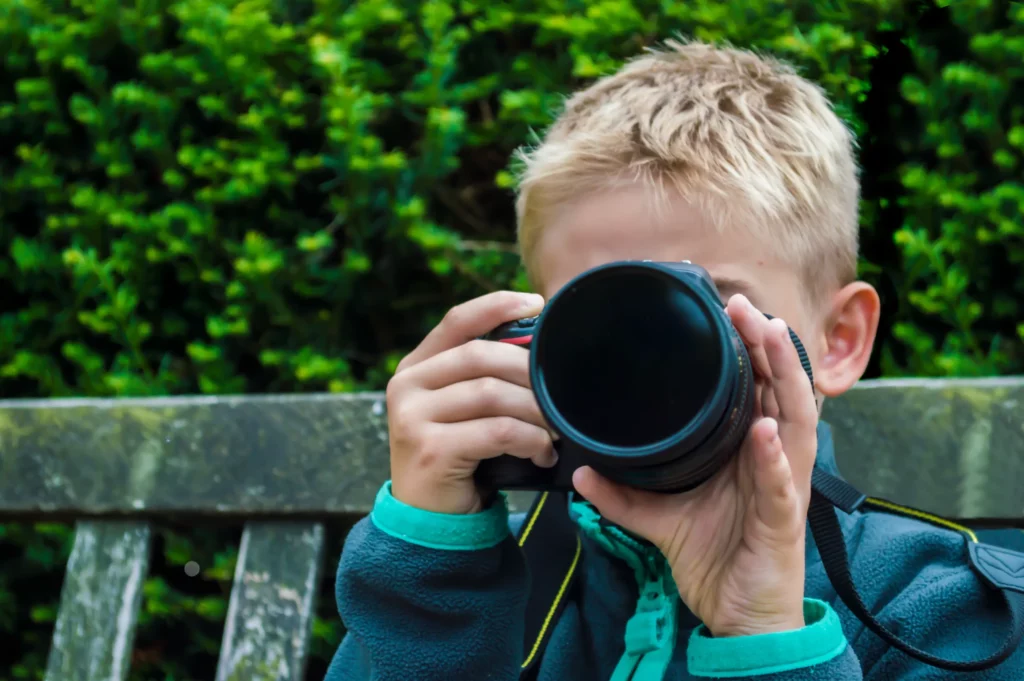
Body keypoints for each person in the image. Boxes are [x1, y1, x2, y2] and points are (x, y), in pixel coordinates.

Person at [324, 40, 1024, 680]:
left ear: (838, 340)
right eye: (606, 318)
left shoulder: (959, 620)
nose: (650, 360)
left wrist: (763, 633)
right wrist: (430, 562)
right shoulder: (473, 583)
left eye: (709, 313)